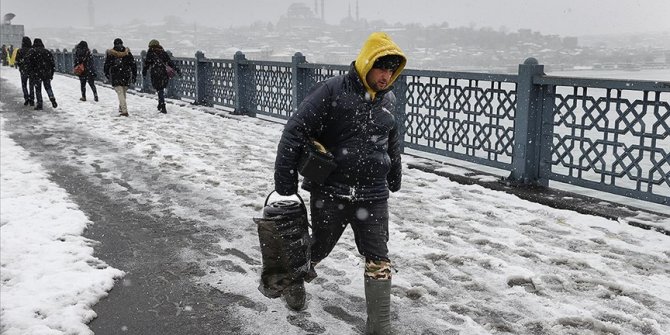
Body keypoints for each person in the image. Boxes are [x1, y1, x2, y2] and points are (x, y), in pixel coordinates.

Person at [273, 32, 406, 334]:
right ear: (367, 63)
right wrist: (285, 180)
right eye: (381, 68)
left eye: (391, 70)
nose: (386, 76)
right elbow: (295, 130)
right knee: (317, 248)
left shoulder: (389, 100)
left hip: (373, 195)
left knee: (378, 259)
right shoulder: (332, 91)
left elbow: (391, 139)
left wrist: (394, 173)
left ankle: (379, 328)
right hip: (331, 191)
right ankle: (294, 278)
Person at [141, 39, 180, 114]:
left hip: (155, 73)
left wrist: (144, 72)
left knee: (159, 89)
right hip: (163, 73)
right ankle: (160, 104)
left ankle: (162, 105)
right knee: (161, 89)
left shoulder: (150, 53)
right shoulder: (163, 52)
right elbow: (169, 62)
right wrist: (177, 70)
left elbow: (147, 64)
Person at [103, 38, 137, 117]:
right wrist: (134, 75)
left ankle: (124, 111)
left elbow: (107, 64)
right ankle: (122, 107)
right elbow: (133, 64)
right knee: (123, 92)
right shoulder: (127, 52)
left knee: (120, 93)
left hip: (116, 75)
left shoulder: (111, 53)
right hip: (126, 75)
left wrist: (107, 73)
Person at [25, 38, 57, 110]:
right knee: (48, 87)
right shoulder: (47, 52)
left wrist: (31, 73)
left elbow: (28, 64)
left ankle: (40, 104)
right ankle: (51, 97)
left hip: (36, 74)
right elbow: (52, 64)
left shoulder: (32, 52)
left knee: (38, 89)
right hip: (47, 73)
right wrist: (51, 74)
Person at [14, 37, 34, 106]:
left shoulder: (20, 50)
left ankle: (26, 98)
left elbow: (17, 61)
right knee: (31, 85)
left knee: (24, 84)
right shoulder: (32, 50)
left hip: (23, 70)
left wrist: (20, 65)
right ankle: (32, 99)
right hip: (31, 70)